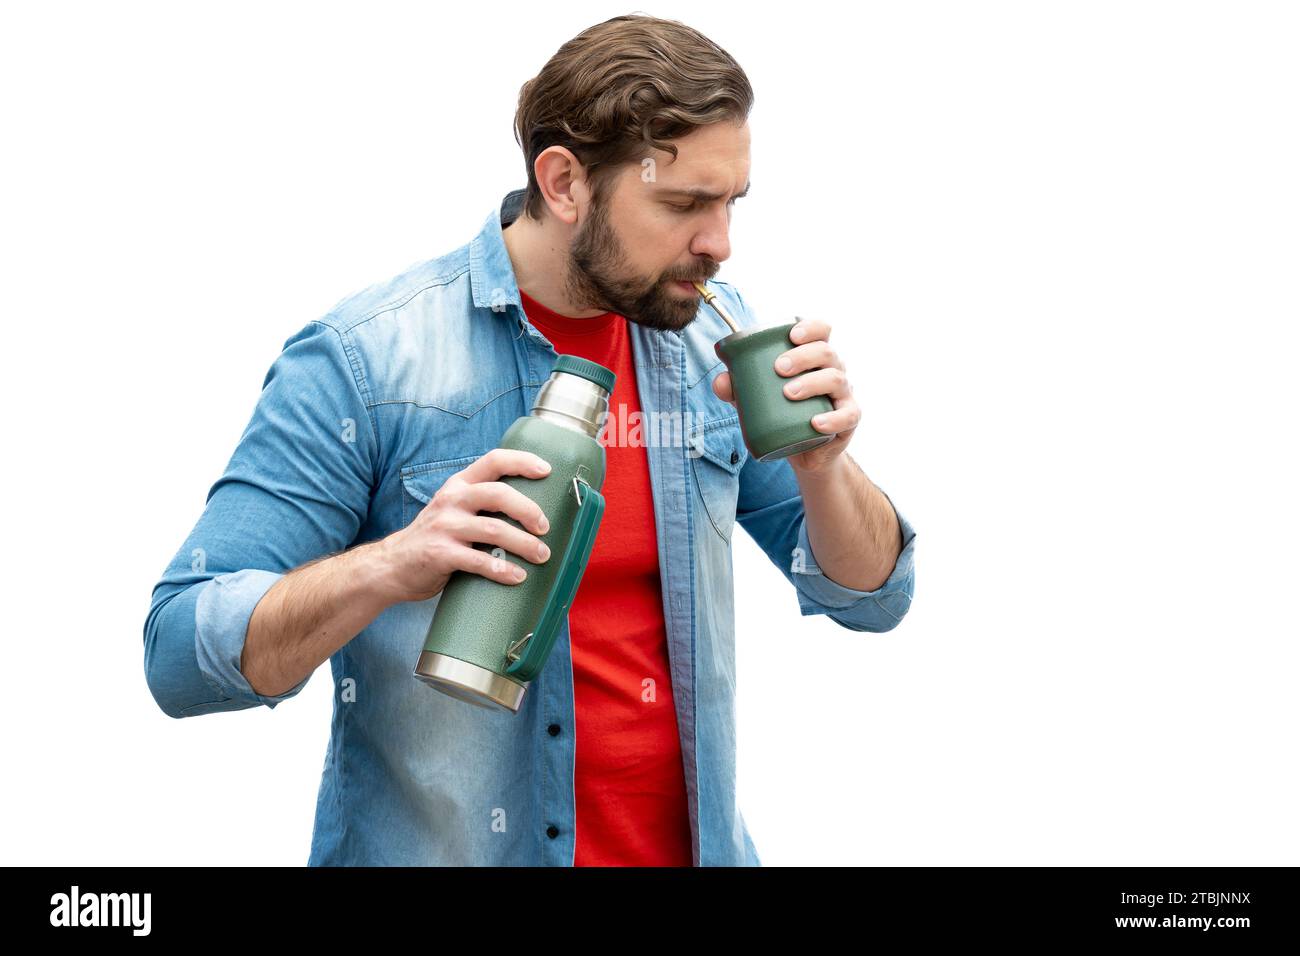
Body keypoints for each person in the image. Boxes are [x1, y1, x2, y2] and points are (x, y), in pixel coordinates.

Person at [143, 13, 916, 866]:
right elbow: (180, 651)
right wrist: (391, 564)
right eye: (684, 203)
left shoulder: (712, 347)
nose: (720, 244)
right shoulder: (366, 361)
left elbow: (873, 597)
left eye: (730, 202)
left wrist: (825, 467)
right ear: (563, 182)